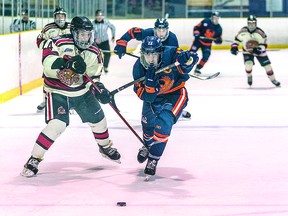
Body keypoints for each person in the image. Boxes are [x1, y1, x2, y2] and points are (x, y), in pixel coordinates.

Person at [21, 16, 121, 177]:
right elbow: (47, 64)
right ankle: (34, 158)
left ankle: (105, 147)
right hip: (57, 91)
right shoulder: (56, 42)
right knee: (57, 125)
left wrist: (99, 90)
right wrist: (67, 63)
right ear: (73, 32)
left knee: (99, 120)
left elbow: (93, 78)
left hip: (81, 93)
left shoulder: (94, 51)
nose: (85, 38)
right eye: (81, 34)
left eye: (88, 34)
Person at [132, 36, 198, 179]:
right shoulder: (138, 68)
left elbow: (190, 61)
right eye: (147, 55)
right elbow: (146, 96)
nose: (150, 59)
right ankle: (148, 145)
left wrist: (187, 60)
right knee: (148, 127)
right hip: (154, 98)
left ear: (161, 53)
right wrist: (149, 86)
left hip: (175, 95)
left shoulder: (171, 53)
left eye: (154, 55)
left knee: (164, 123)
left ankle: (153, 159)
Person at [114, 18, 191, 119]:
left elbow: (173, 59)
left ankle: (174, 108)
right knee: (148, 87)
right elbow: (132, 31)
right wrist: (122, 42)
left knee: (167, 87)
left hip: (163, 67)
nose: (161, 33)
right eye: (158, 30)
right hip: (149, 63)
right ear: (154, 29)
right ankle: (152, 110)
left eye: (163, 30)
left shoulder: (172, 38)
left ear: (167, 30)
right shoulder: (148, 33)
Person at [36, 7, 71, 112]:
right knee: (48, 79)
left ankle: (69, 101)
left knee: (68, 79)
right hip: (52, 59)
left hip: (67, 59)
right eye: (58, 16)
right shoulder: (48, 28)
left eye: (62, 16)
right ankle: (46, 100)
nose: (60, 18)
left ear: (65, 17)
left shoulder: (71, 27)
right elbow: (39, 40)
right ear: (54, 17)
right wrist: (47, 47)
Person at [230, 15, 280, 87]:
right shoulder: (242, 32)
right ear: (247, 23)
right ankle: (249, 76)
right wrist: (234, 47)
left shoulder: (260, 33)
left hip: (259, 52)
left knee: (267, 66)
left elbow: (264, 45)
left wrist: (259, 49)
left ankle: (273, 79)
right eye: (250, 23)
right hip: (247, 51)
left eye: (253, 23)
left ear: (256, 23)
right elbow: (236, 41)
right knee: (248, 65)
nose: (251, 25)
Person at [92, 9, 116, 73]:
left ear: (103, 16)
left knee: (107, 54)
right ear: (95, 16)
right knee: (94, 55)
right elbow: (90, 32)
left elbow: (113, 27)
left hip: (105, 41)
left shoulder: (106, 22)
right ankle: (95, 68)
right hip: (96, 42)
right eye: (98, 15)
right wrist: (94, 39)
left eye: (101, 15)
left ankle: (105, 66)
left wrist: (113, 36)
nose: (99, 17)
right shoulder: (92, 24)